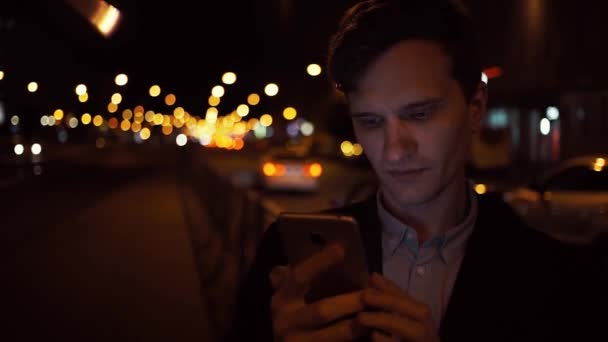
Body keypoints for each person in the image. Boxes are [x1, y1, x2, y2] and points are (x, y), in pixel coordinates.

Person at [225, 0, 606, 341]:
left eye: (419, 114)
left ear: (475, 106)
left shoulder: (559, 279)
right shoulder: (288, 259)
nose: (393, 150)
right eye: (371, 122)